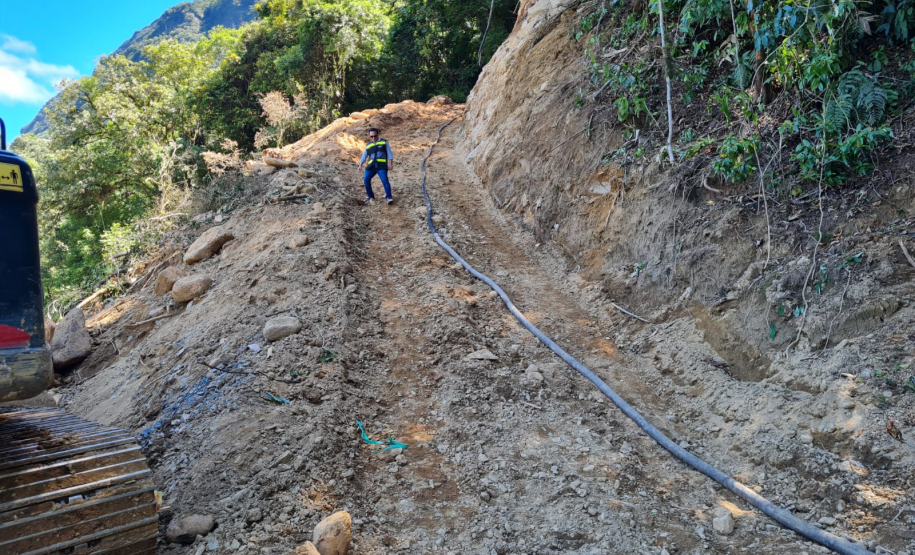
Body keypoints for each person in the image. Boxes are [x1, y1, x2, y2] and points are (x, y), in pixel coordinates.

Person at [358, 128, 395, 204]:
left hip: (381, 166)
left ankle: (389, 197)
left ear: (378, 134)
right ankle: (370, 196)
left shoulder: (384, 142)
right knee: (366, 180)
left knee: (385, 181)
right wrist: (360, 165)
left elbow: (390, 153)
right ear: (369, 136)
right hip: (371, 167)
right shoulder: (368, 145)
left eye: (375, 136)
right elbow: (364, 156)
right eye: (371, 136)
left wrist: (390, 164)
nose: (373, 138)